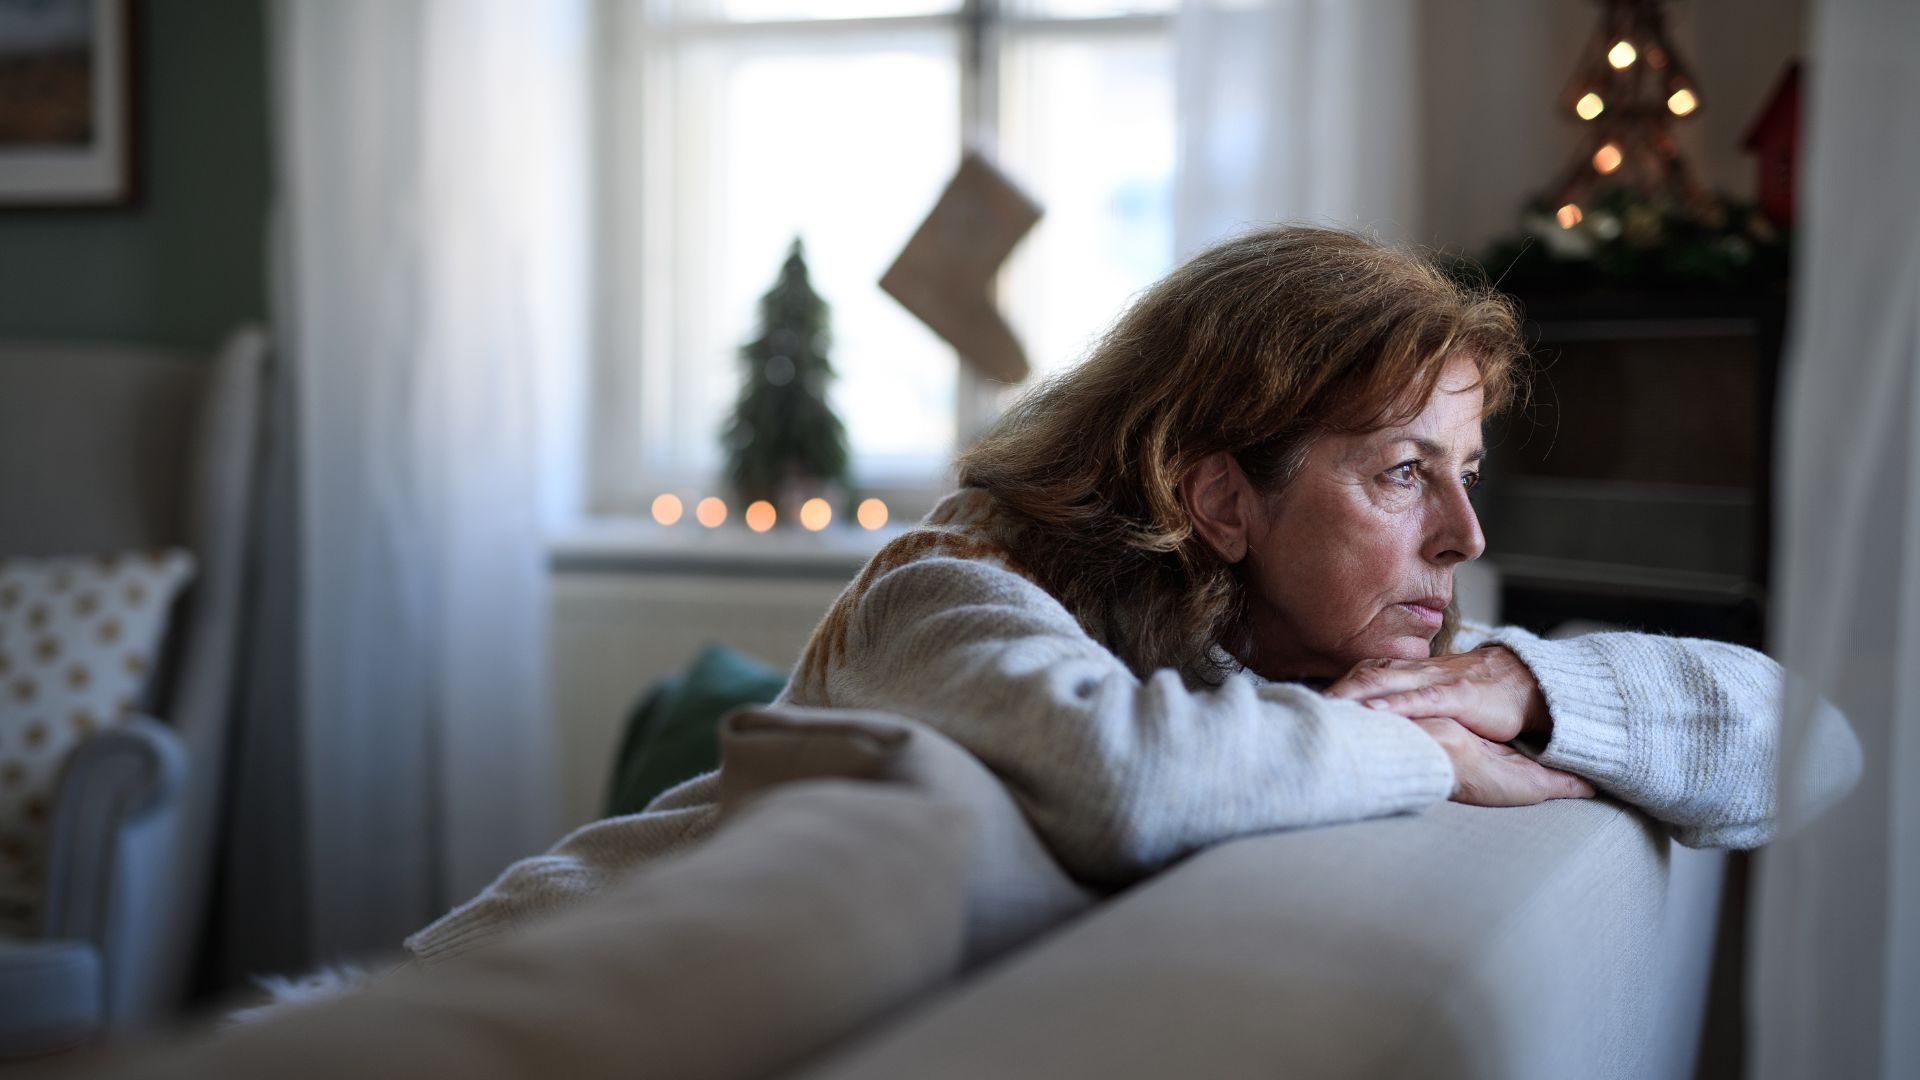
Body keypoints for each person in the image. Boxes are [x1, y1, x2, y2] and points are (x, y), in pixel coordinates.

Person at [405, 224, 1860, 959]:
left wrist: (1529, 690)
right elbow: (1123, 778)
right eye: (1405, 473)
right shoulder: (946, 592)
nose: (1466, 533)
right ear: (1216, 495)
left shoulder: (1328, 662)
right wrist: (1431, 748)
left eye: (1466, 468)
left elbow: (1813, 745)